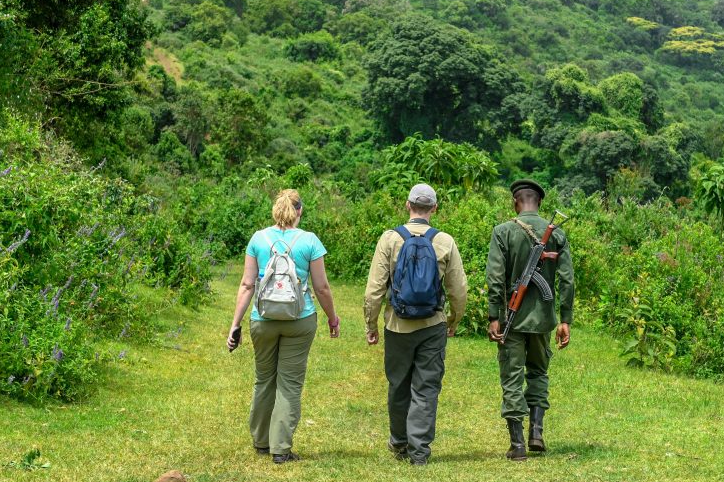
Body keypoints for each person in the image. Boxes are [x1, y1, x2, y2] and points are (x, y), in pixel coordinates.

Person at [227, 188, 340, 464]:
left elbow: (246, 284)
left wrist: (235, 324)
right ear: (299, 211)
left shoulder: (258, 239)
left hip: (262, 319)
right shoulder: (310, 241)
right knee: (289, 383)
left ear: (275, 210)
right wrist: (332, 317)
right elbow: (322, 287)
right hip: (299, 320)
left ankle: (261, 441)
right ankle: (281, 449)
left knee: (264, 379)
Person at [363, 183, 467, 466]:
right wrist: (454, 320)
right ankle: (419, 451)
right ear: (434, 209)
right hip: (433, 324)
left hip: (397, 325)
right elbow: (458, 290)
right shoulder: (445, 241)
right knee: (426, 387)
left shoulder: (390, 239)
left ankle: (399, 443)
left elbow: (374, 289)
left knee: (398, 385)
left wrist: (371, 324)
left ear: (408, 206)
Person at [485, 179, 574, 461]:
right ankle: (536, 431)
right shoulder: (557, 235)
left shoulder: (503, 231)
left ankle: (518, 444)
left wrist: (493, 316)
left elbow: (495, 278)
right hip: (543, 320)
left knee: (511, 378)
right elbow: (567, 280)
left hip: (512, 320)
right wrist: (565, 319)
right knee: (538, 373)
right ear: (539, 203)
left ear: (515, 202)